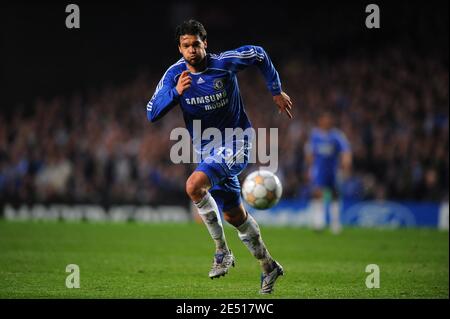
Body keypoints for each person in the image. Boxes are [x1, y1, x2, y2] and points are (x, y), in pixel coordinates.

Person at [146, 19, 292, 294]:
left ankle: (222, 252)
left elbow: (258, 53)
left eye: (196, 45)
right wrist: (175, 94)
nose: (192, 50)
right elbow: (152, 112)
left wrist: (275, 90)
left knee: (193, 185)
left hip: (238, 142)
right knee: (235, 216)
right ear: (179, 47)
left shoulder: (224, 63)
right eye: (186, 45)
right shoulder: (173, 76)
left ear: (205, 44)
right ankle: (268, 266)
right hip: (207, 150)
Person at [304, 111, 352, 234]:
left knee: (335, 195)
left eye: (328, 119)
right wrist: (310, 169)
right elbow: (310, 153)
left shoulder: (336, 136)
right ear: (320, 120)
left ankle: (335, 224)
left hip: (333, 170)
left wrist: (345, 167)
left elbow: (345, 152)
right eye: (324, 119)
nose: (326, 121)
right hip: (319, 170)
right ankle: (319, 223)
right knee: (318, 194)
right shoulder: (314, 135)